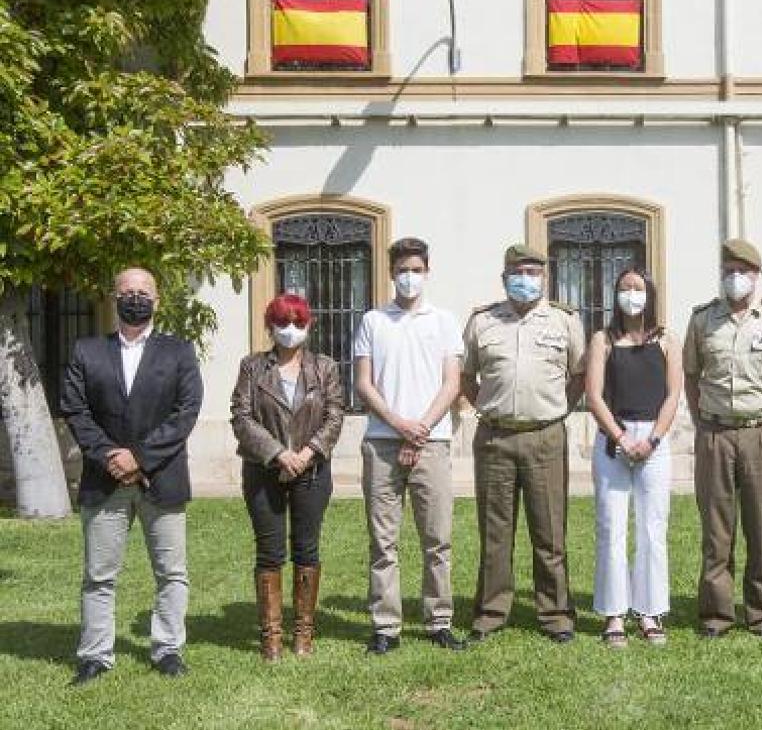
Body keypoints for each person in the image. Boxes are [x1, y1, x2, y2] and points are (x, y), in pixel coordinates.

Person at [60, 268, 203, 685]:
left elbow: (186, 412)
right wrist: (110, 456)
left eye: (144, 292)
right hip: (104, 480)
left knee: (171, 572)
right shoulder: (87, 350)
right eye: (127, 292)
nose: (135, 298)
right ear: (113, 298)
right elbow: (75, 410)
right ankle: (95, 655)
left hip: (162, 477)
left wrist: (139, 457)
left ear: (157, 301)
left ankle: (168, 649)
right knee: (99, 575)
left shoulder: (179, 351)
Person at [461, 243, 586, 644]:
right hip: (495, 437)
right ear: (504, 278)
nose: (525, 279)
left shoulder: (565, 321)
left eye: (533, 272)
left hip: (545, 436)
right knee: (495, 533)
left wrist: (555, 411)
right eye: (518, 272)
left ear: (545, 278)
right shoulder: (482, 322)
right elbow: (466, 376)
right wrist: (486, 407)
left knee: (549, 531)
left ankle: (555, 614)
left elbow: (580, 374)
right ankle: (491, 613)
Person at [683, 239, 762, 641]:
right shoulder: (702, 321)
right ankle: (716, 615)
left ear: (757, 275)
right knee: (717, 531)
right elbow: (690, 374)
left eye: (743, 271)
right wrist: (702, 421)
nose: (735, 278)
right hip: (715, 432)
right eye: (729, 270)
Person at [353, 238, 467, 653]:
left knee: (437, 538)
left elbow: (452, 382)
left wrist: (421, 426)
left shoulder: (444, 321)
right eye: (403, 268)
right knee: (383, 541)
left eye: (416, 269)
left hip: (431, 443)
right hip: (382, 443)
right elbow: (364, 383)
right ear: (390, 272)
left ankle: (439, 621)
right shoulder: (373, 321)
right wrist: (400, 424)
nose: (409, 276)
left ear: (427, 271)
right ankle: (386, 626)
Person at [230, 293, 344, 661]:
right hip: (264, 471)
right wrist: (278, 453)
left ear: (308, 326)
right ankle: (271, 637)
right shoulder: (252, 367)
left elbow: (335, 414)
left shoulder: (324, 367)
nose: (290, 330)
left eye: (297, 322)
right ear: (269, 327)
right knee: (269, 552)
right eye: (282, 322)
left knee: (306, 549)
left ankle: (304, 634)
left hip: (312, 472)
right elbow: (241, 417)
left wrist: (307, 452)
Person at [584, 267, 682, 647]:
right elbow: (593, 396)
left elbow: (674, 394)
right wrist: (621, 438)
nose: (631, 294)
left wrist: (653, 439)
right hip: (614, 440)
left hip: (654, 441)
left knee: (653, 529)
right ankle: (613, 614)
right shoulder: (602, 340)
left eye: (637, 288)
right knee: (611, 527)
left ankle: (650, 611)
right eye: (624, 288)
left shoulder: (667, 340)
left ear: (650, 294)